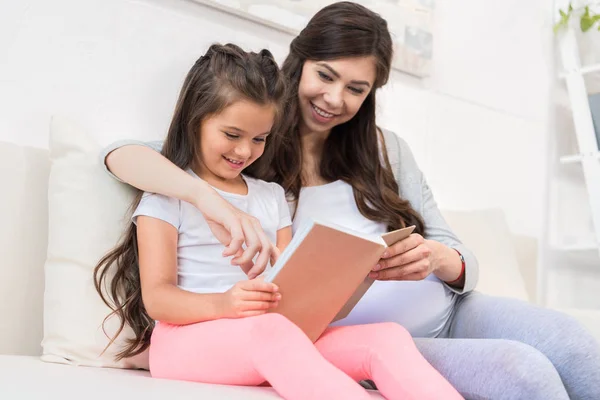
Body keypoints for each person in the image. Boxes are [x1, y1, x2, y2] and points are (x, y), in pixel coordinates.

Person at [101, 2, 600, 399]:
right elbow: (119, 155)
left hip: (452, 309)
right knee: (525, 372)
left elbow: (456, 251)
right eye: (326, 74)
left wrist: (439, 258)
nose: (336, 98)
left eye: (356, 88)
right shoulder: (252, 149)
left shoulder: (387, 150)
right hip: (362, 336)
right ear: (300, 63)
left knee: (574, 344)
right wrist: (209, 201)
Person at [94, 43, 463, 400]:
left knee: (386, 337)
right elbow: (158, 300)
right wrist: (224, 304)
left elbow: (287, 294)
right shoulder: (167, 193)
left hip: (269, 332)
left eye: (259, 139)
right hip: (185, 341)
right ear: (196, 121)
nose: (244, 151)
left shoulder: (270, 197)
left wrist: (345, 283)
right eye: (232, 135)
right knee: (270, 330)